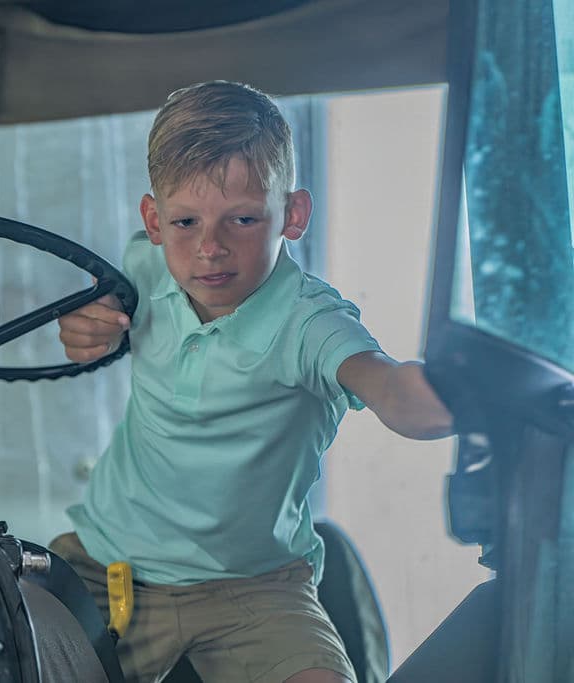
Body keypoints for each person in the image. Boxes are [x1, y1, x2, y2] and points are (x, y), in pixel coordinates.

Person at [52, 81, 453, 683]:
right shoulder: (144, 268)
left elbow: (392, 389)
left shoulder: (309, 322)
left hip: (253, 588)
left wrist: (467, 394)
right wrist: (91, 325)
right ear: (154, 220)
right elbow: (106, 304)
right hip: (109, 563)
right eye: (186, 221)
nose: (209, 249)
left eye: (242, 218)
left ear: (292, 215)